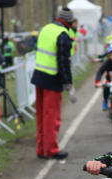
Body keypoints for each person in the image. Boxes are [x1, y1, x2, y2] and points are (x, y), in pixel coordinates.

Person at [31, 7, 77, 160]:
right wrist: (68, 83)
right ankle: (50, 150)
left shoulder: (46, 28)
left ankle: (41, 149)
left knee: (41, 116)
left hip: (39, 76)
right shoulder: (63, 35)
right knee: (51, 117)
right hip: (52, 79)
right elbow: (64, 62)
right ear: (69, 22)